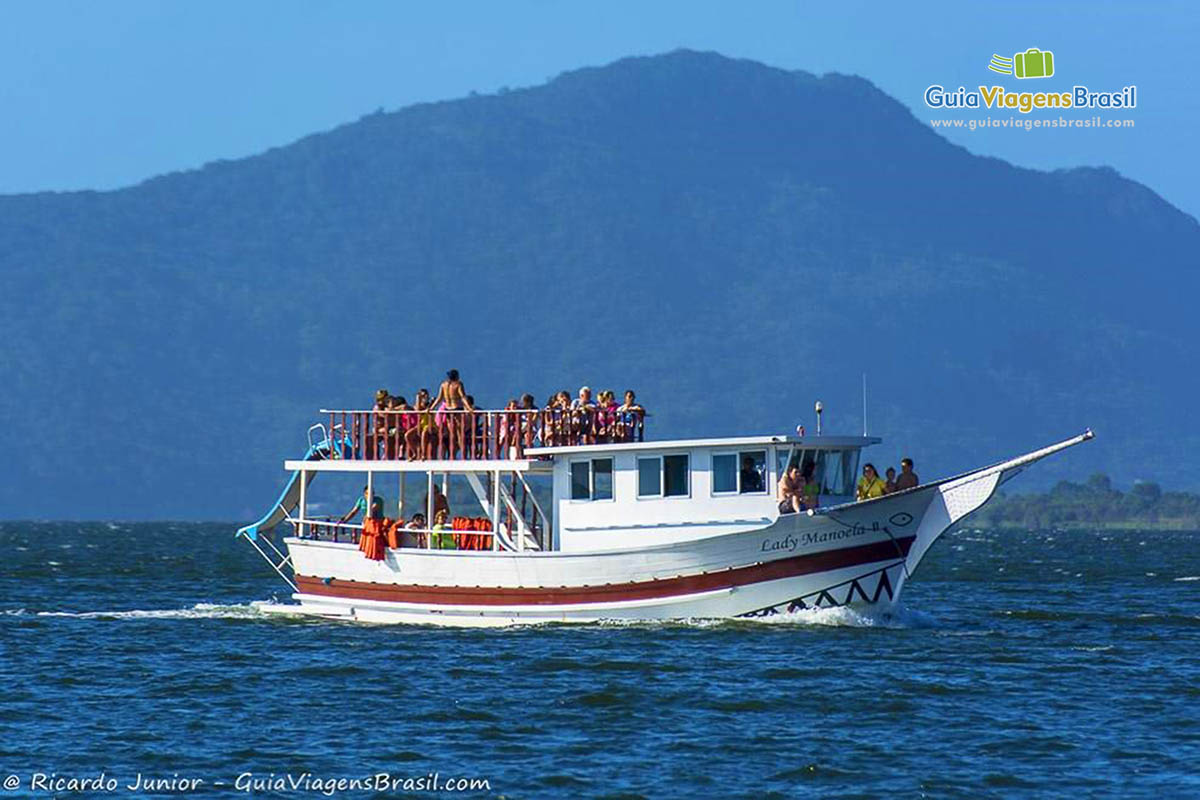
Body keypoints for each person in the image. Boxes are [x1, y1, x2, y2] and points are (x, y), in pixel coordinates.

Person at [430, 369, 473, 458]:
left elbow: (439, 398)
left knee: (452, 434)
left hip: (448, 409)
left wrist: (431, 408)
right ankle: (463, 456)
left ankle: (452, 455)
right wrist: (469, 408)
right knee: (460, 433)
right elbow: (463, 397)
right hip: (456, 409)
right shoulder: (458, 384)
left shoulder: (443, 385)